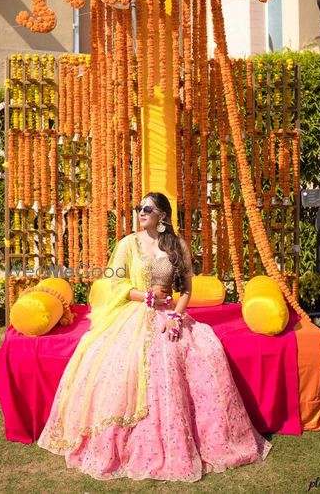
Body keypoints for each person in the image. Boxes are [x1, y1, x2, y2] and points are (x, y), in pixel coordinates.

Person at [37, 192, 272, 481]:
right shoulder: (128, 244)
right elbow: (113, 282)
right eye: (138, 208)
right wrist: (145, 296)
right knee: (120, 361)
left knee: (197, 352)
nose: (140, 212)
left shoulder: (178, 246)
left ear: (162, 215)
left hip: (169, 314)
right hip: (133, 313)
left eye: (147, 208)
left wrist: (175, 317)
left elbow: (186, 290)